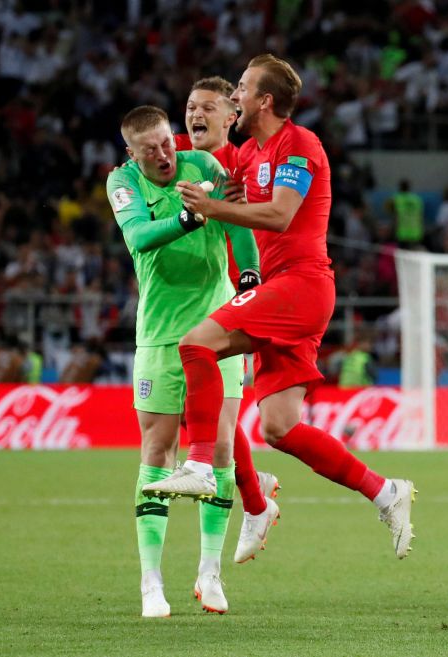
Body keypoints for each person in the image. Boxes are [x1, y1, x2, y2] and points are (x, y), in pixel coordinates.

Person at [143, 54, 416, 562]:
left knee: (196, 344)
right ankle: (385, 492)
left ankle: (203, 464)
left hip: (301, 286)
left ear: (264, 101)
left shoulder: (300, 144)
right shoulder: (250, 153)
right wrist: (151, 153)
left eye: (241, 89)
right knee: (279, 428)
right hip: (282, 290)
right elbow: (214, 163)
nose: (235, 96)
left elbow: (279, 214)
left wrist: (212, 207)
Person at [107, 105, 260, 617]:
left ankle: (209, 574)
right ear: (132, 152)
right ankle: (151, 582)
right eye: (149, 149)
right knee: (159, 449)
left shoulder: (205, 165)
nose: (163, 154)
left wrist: (250, 274)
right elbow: (138, 236)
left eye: (166, 143)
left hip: (217, 333)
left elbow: (237, 220)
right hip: (159, 337)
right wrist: (191, 215)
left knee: (220, 452)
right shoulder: (123, 183)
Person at [176, 75, 282, 568]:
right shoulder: (174, 155)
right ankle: (254, 486)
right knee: (192, 414)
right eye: (190, 106)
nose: (196, 114)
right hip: (176, 301)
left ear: (229, 117)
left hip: (233, 297)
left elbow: (248, 224)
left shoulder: (238, 165)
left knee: (219, 424)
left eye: (208, 107)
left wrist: (251, 280)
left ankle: (256, 502)